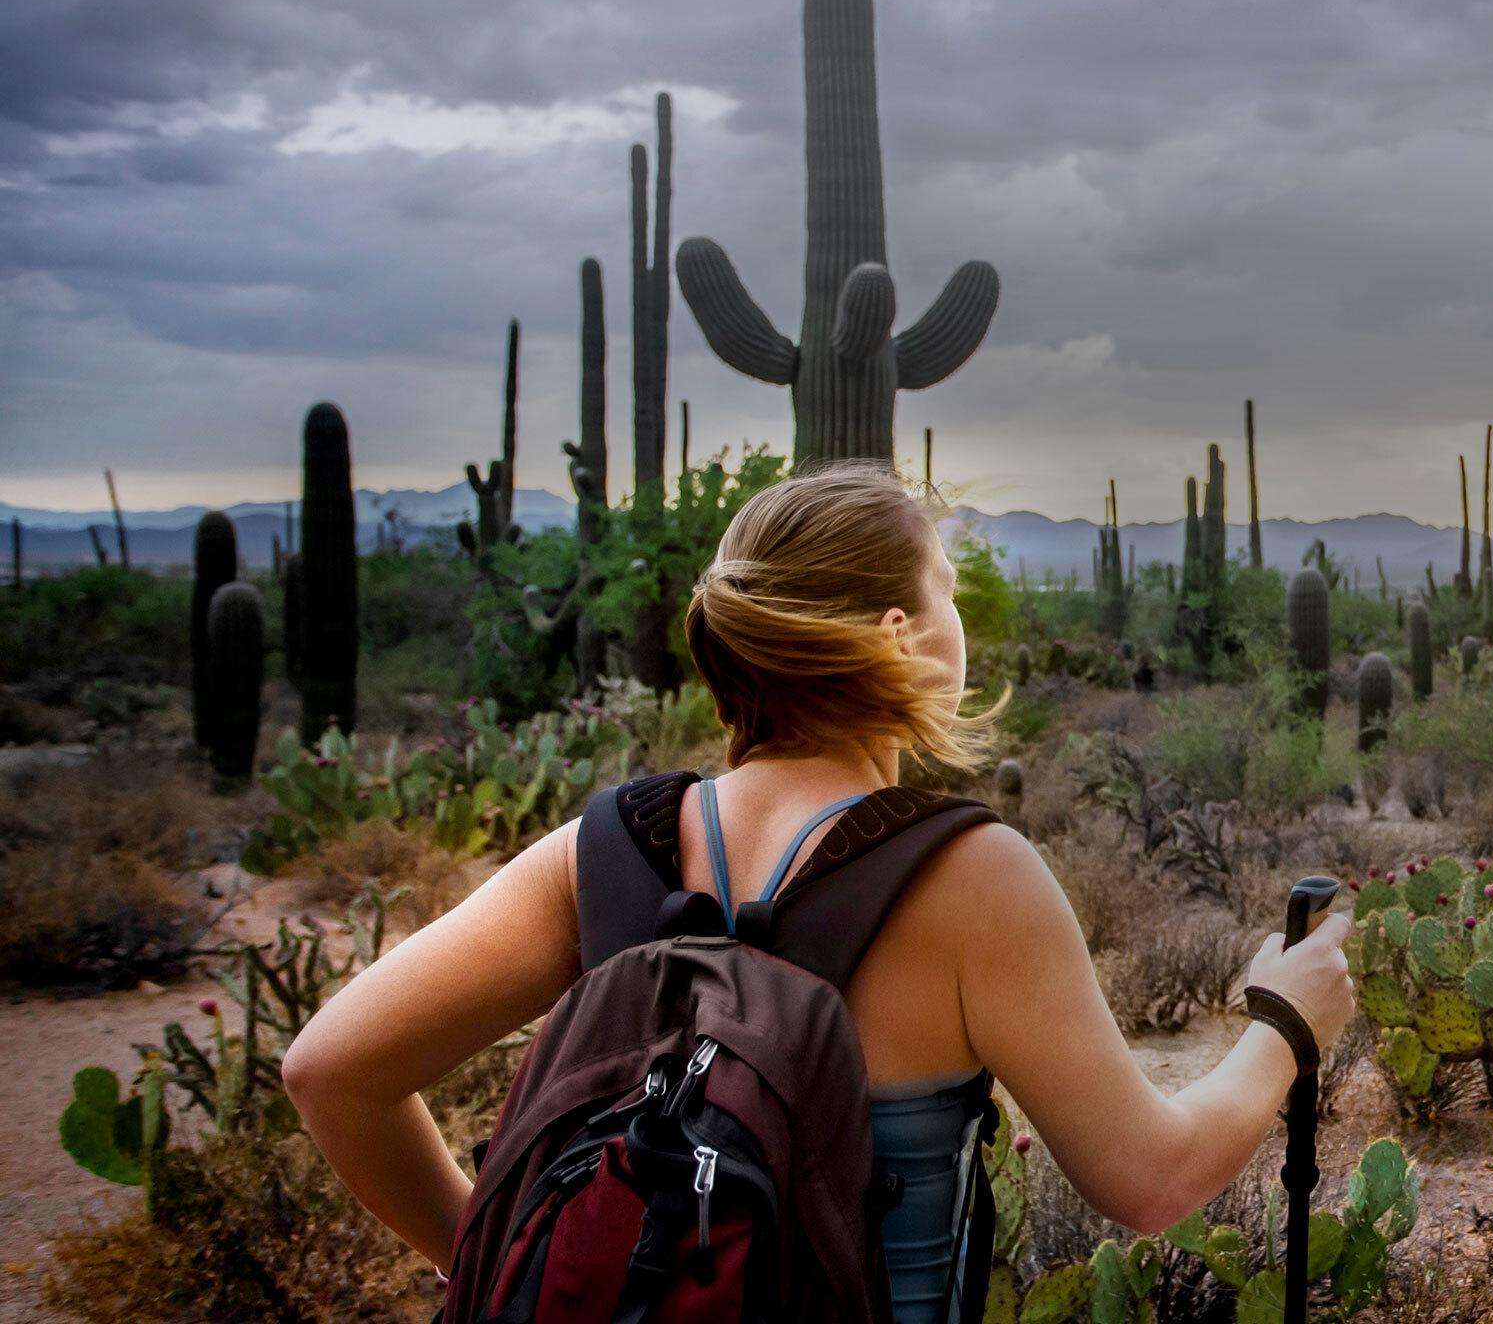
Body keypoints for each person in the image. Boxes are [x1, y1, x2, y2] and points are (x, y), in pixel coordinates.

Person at [284, 462, 1358, 1321]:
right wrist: (1285, 1023)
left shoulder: (601, 848)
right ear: (899, 634)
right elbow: (1152, 1179)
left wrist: (495, 1258)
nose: (959, 620)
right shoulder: (968, 874)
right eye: (946, 589)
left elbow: (333, 1070)